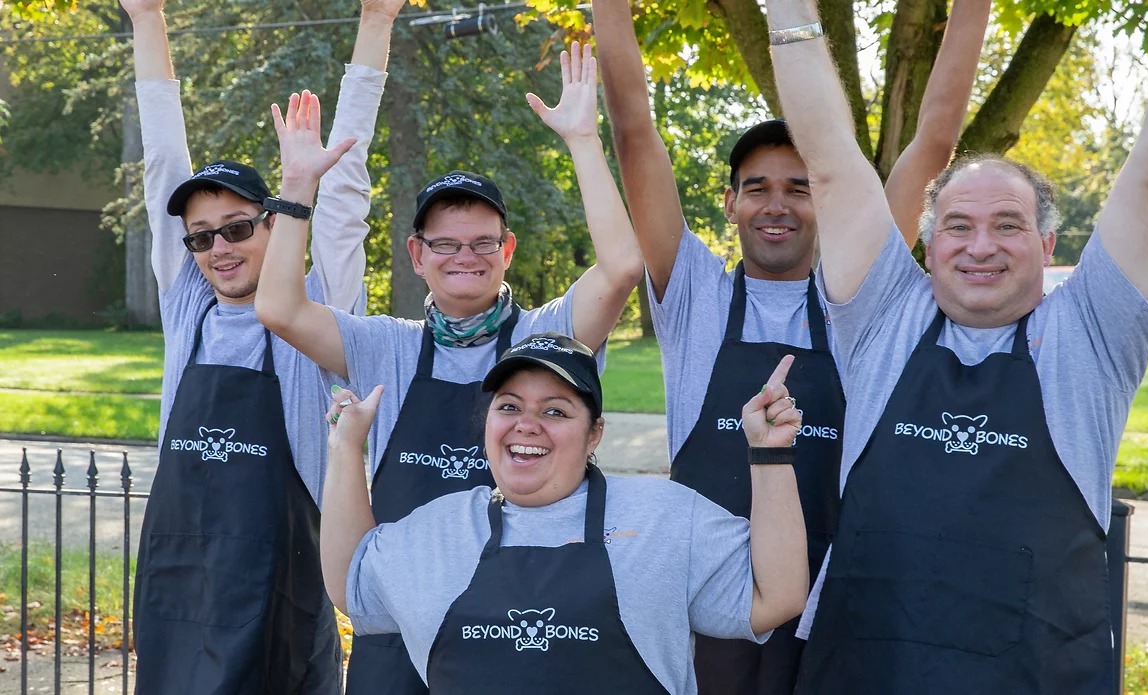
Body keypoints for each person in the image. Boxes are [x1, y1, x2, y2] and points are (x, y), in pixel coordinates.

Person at [765, 0, 1148, 689]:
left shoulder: (1091, 332)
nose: (980, 246)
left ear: (1045, 245)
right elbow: (829, 161)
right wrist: (789, 11)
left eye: (1007, 225)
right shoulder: (882, 313)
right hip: (865, 666)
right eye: (957, 226)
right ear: (925, 242)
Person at [591, 0, 989, 690]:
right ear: (729, 203)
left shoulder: (861, 292)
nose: (776, 204)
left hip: (832, 602)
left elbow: (932, 142)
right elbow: (633, 130)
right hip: (704, 599)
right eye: (757, 188)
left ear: (825, 201)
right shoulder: (693, 295)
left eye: (799, 188)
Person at [256, 42, 643, 692]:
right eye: (444, 243)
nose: (464, 256)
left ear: (506, 250)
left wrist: (581, 139)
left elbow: (622, 268)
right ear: (415, 254)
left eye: (481, 242)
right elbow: (279, 305)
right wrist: (296, 188)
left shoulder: (548, 336)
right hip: (399, 628)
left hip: (521, 625)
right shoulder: (385, 346)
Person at [122, 0, 398, 690]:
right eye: (201, 234)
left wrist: (377, 21)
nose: (219, 247)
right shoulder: (188, 310)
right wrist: (147, 18)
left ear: (276, 227)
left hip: (281, 585)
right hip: (179, 589)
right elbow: (163, 163)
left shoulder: (315, 307)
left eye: (239, 227)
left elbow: (345, 194)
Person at [321, 332, 808, 693]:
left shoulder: (666, 518)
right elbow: (352, 584)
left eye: (555, 411)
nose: (527, 425)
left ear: (595, 433)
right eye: (509, 407)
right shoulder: (437, 529)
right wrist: (345, 449)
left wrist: (770, 454)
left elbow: (778, 596)